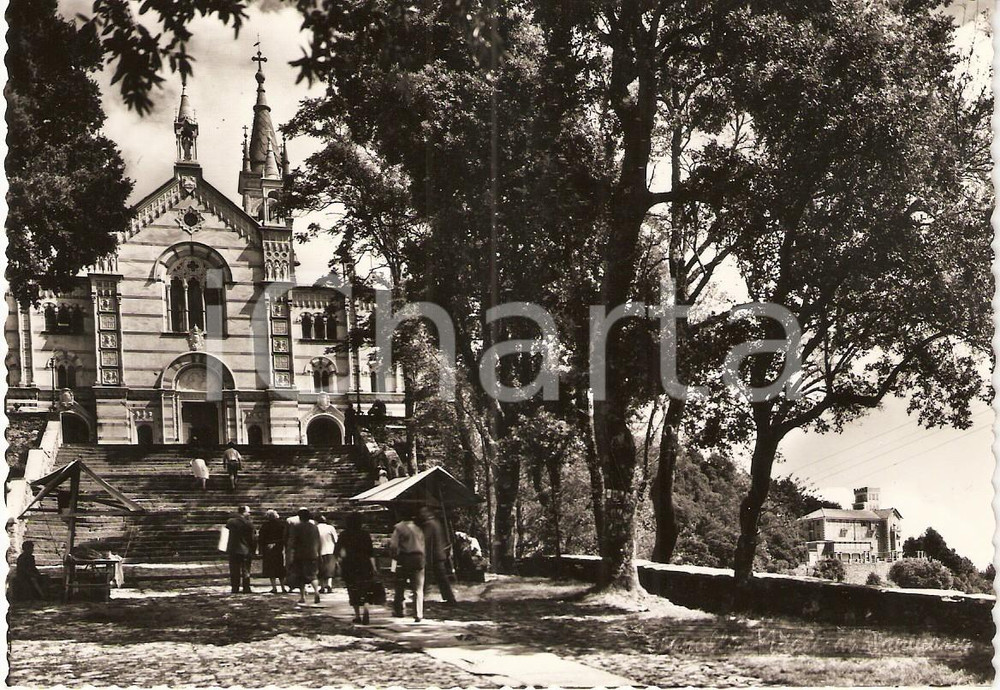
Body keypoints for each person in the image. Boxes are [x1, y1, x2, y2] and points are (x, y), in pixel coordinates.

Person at [336, 512, 378, 624]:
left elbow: (339, 552)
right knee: (365, 587)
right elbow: (370, 552)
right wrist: (374, 567)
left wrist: (339, 565)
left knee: (352, 589)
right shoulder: (365, 534)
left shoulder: (344, 535)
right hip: (364, 564)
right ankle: (366, 607)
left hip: (349, 565)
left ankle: (357, 615)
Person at [390, 511, 425, 622]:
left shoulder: (399, 528)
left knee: (400, 585)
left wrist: (394, 557)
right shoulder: (418, 528)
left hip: (405, 557)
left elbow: (393, 545)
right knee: (418, 588)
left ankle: (399, 610)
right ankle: (418, 613)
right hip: (419, 558)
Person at [419, 506, 457, 604]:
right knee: (440, 577)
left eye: (423, 513)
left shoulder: (429, 524)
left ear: (427, 513)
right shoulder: (436, 523)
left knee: (427, 576)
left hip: (434, 555)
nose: (421, 515)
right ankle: (449, 598)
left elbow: (426, 540)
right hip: (439, 554)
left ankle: (420, 597)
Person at [287, 507, 322, 604]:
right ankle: (316, 591)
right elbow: (318, 541)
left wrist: (290, 553)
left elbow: (292, 541)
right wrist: (319, 553)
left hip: (300, 554)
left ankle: (302, 597)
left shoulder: (296, 527)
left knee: (301, 576)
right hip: (313, 554)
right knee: (313, 575)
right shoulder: (314, 527)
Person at [225, 505, 256, 594]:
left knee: (234, 570)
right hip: (245, 549)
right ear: (244, 512)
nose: (249, 514)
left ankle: (235, 588)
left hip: (233, 549)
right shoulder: (249, 523)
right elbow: (252, 538)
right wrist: (253, 549)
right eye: (248, 512)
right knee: (246, 570)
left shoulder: (230, 522)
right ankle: (246, 587)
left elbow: (225, 534)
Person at [258, 509, 287, 594]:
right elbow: (284, 537)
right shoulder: (281, 525)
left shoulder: (265, 526)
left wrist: (262, 547)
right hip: (278, 548)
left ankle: (274, 587)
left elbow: (261, 538)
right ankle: (283, 587)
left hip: (268, 549)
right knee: (280, 568)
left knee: (271, 569)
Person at [316, 514, 339, 594]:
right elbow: (336, 539)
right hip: (330, 550)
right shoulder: (330, 528)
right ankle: (329, 584)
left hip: (319, 551)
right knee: (330, 569)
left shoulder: (315, 528)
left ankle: (322, 586)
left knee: (320, 569)